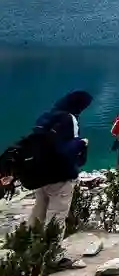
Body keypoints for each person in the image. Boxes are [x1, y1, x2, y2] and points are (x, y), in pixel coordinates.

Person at [30, 91, 93, 225]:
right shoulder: (70, 119)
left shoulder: (46, 117)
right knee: (57, 215)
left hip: (40, 172)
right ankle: (51, 244)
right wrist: (82, 143)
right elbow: (67, 149)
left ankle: (28, 241)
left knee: (39, 210)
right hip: (61, 174)